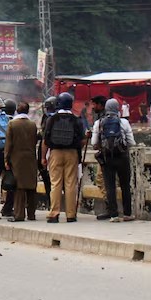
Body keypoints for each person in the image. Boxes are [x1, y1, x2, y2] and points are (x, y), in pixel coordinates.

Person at [42, 93, 84, 223]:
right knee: (71, 183)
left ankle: (54, 213)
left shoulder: (52, 119)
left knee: (55, 183)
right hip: (72, 153)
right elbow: (82, 140)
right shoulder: (77, 120)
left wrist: (43, 157)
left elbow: (45, 140)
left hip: (55, 153)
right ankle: (71, 214)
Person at [92, 99, 136, 222]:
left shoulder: (99, 123)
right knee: (125, 185)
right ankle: (127, 214)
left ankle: (113, 215)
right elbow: (131, 142)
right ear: (118, 108)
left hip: (107, 158)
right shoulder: (124, 122)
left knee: (110, 186)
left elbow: (94, 143)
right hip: (122, 157)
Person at [4, 102, 39, 222]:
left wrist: (6, 159)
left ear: (17, 111)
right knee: (31, 186)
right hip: (30, 157)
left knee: (19, 187)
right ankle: (31, 214)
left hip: (16, 159)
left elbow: (8, 144)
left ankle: (19, 214)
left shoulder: (12, 124)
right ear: (28, 111)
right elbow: (34, 141)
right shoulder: (32, 125)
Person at [35, 97, 56, 206]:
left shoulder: (50, 119)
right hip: (55, 152)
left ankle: (52, 204)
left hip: (49, 153)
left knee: (51, 182)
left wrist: (42, 157)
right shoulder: (67, 118)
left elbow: (44, 138)